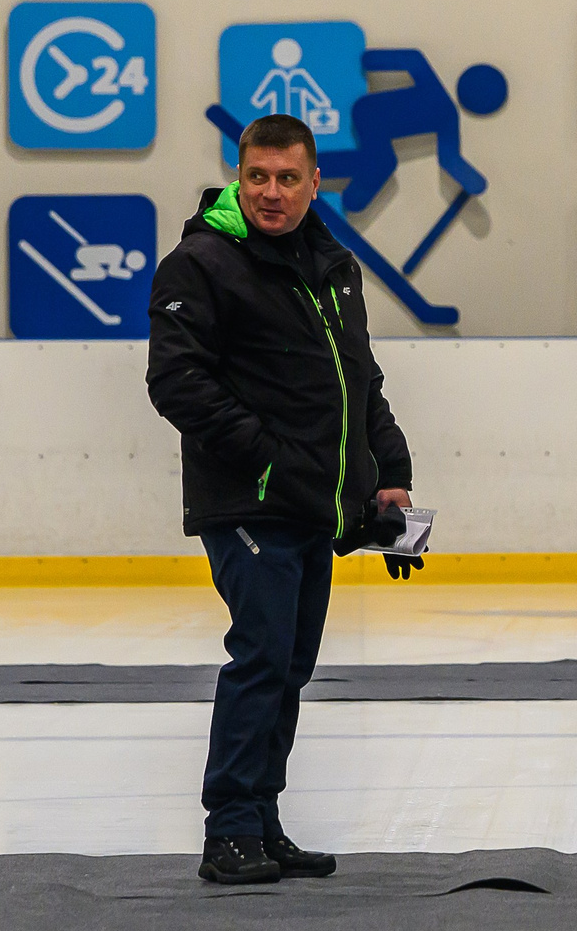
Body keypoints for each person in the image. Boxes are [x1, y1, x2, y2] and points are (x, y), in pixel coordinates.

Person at [147, 112, 414, 886]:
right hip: (251, 502)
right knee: (261, 658)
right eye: (257, 177)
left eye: (286, 178)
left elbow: (358, 379)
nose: (270, 192)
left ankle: (261, 821)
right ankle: (229, 827)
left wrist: (387, 469)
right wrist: (266, 458)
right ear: (239, 176)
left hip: (315, 506)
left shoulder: (331, 264)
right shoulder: (200, 263)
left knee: (290, 666)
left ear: (313, 182)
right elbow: (176, 381)